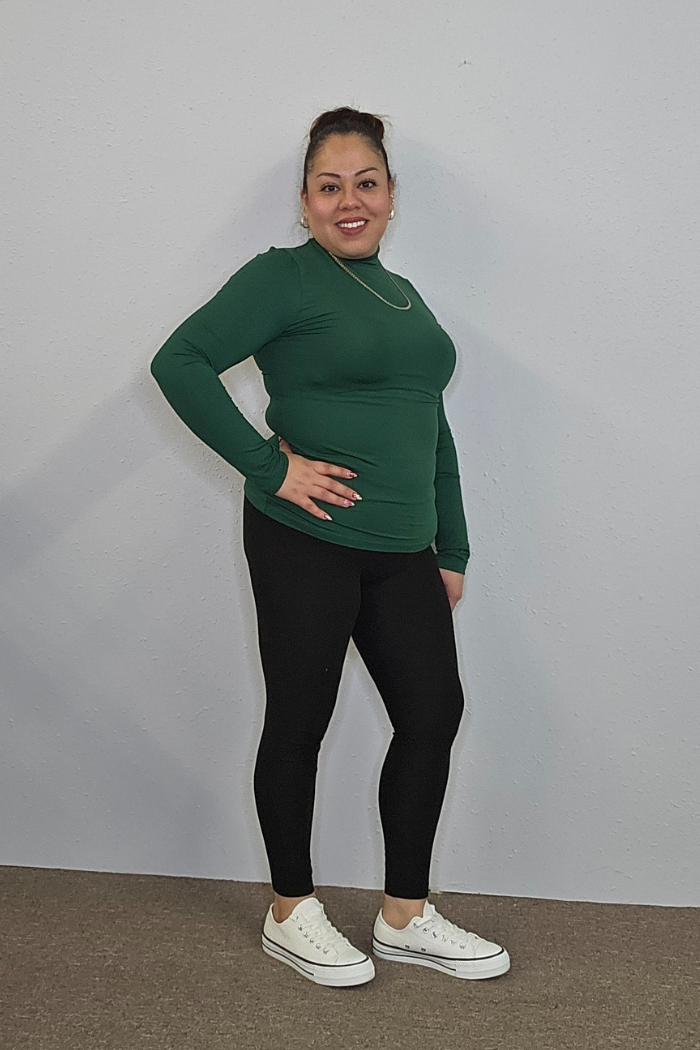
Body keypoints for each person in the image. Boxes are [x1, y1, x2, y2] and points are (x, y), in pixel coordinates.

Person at [150, 106, 510, 988]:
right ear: (305, 202)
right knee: (300, 721)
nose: (349, 201)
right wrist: (269, 466)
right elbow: (181, 361)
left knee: (434, 713)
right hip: (304, 540)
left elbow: (430, 425)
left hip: (404, 552)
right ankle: (290, 910)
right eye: (329, 186)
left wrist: (451, 544)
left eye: (366, 183)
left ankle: (405, 915)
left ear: (390, 195)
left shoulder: (403, 292)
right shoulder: (284, 278)